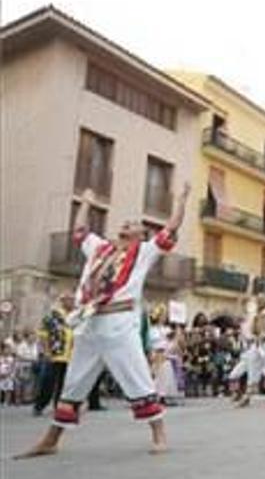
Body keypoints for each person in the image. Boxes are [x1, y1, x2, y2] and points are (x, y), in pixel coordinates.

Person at [15, 183, 190, 459]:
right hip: (89, 326)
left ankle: (159, 434)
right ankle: (51, 439)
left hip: (120, 325)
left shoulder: (144, 251)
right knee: (73, 384)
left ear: (141, 234)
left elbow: (170, 228)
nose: (126, 224)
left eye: (132, 224)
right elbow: (80, 232)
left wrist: (181, 200)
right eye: (124, 222)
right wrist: (85, 202)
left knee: (138, 379)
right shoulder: (99, 248)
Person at [33, 293, 75, 416]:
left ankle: (59, 407)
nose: (73, 303)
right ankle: (39, 405)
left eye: (73, 300)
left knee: (64, 384)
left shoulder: (73, 316)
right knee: (48, 382)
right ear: (63, 301)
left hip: (69, 356)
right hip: (54, 354)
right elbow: (43, 334)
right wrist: (46, 351)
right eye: (71, 300)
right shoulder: (52, 315)